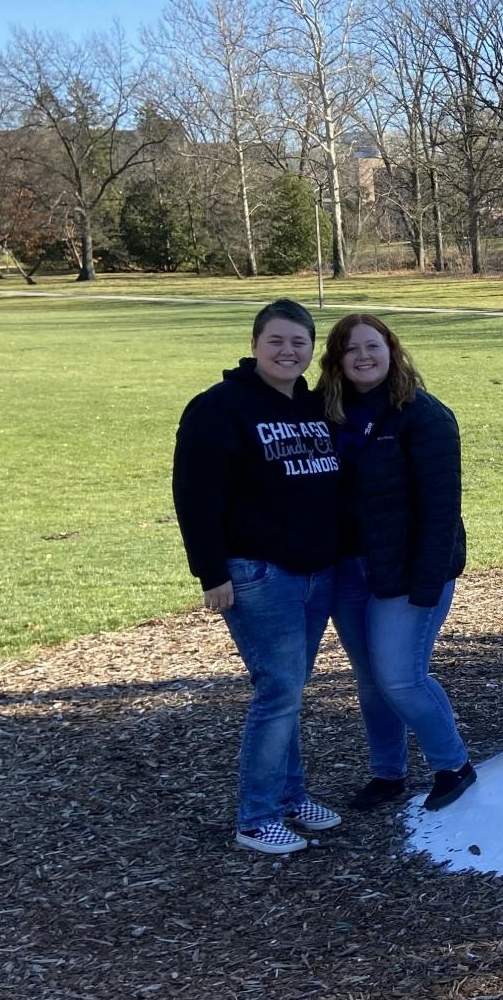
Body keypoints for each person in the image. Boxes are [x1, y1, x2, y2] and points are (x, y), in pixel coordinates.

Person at [172, 298, 343, 855]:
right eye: (276, 341)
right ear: (254, 344)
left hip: (315, 571)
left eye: (299, 342)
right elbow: (196, 498)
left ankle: (291, 797)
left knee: (289, 690)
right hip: (257, 572)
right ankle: (257, 816)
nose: (288, 351)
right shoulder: (219, 408)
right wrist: (211, 572)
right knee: (278, 691)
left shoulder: (315, 405)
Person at [315, 312, 476, 813]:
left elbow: (441, 508)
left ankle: (453, 765)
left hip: (408, 573)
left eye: (373, 346)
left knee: (402, 678)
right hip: (350, 568)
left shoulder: (423, 415)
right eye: (351, 349)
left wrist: (426, 584)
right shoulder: (329, 413)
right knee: (369, 680)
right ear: (337, 360)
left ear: (392, 350)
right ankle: (388, 773)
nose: (364, 357)